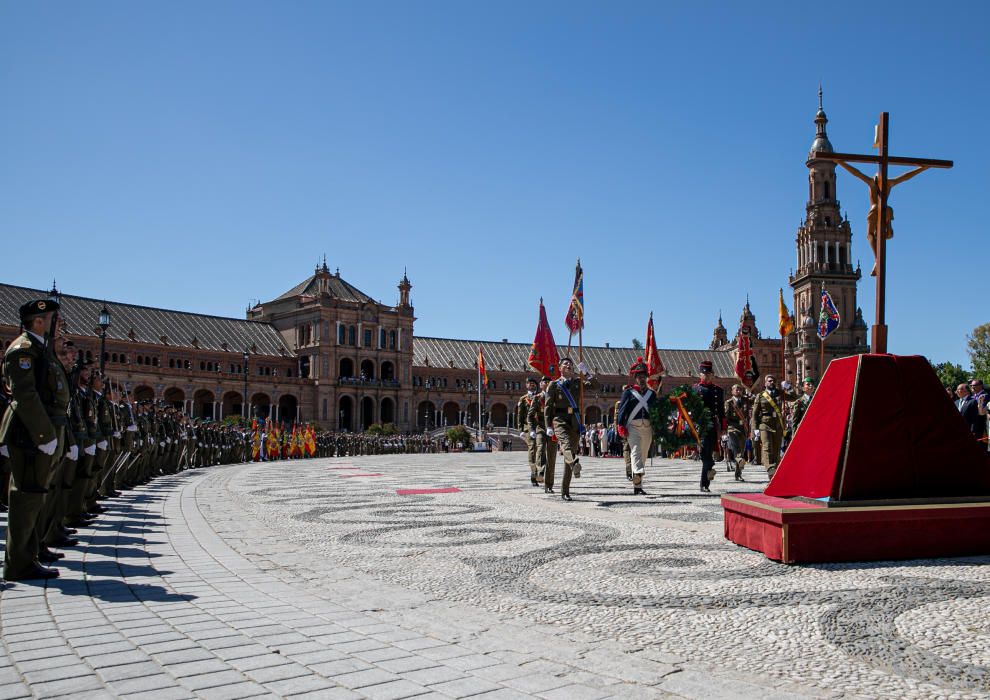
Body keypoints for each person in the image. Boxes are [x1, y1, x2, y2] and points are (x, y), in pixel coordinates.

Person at [0, 299, 62, 580]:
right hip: (28, 433)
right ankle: (18, 564)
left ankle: (27, 556)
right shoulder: (23, 350)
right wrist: (44, 434)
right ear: (38, 321)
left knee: (34, 496)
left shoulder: (39, 349)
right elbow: (26, 395)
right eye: (51, 318)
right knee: (26, 497)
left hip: (36, 431)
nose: (54, 323)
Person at [544, 357, 596, 501]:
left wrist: (586, 373)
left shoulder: (577, 383)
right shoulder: (554, 385)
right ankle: (574, 463)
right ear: (560, 368)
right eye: (565, 364)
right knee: (566, 445)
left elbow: (595, 386)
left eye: (571, 364)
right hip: (559, 420)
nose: (569, 365)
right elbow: (548, 407)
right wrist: (548, 425)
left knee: (571, 453)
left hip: (575, 420)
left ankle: (565, 491)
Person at [616, 359, 660, 495]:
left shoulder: (652, 394)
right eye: (639, 377)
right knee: (635, 451)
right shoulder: (628, 393)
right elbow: (622, 410)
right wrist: (621, 425)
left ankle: (638, 486)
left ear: (647, 378)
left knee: (644, 454)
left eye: (644, 376)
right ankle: (639, 472)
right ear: (635, 378)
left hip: (647, 427)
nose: (642, 379)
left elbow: (656, 412)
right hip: (633, 426)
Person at [751, 374, 799, 478]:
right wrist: (755, 430)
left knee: (776, 450)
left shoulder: (780, 393)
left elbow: (794, 397)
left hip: (777, 425)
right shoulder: (760, 396)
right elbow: (754, 415)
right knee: (767, 447)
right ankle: (770, 468)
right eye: (769, 381)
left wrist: (789, 387)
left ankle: (774, 474)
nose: (771, 382)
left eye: (773, 381)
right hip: (765, 425)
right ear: (765, 383)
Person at [693, 360, 725, 492]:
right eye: (704, 374)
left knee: (708, 452)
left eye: (709, 374)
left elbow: (721, 411)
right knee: (704, 453)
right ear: (700, 374)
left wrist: (723, 427)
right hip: (699, 425)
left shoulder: (718, 390)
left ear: (712, 375)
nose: (706, 376)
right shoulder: (695, 389)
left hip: (712, 425)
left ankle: (705, 482)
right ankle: (706, 479)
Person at [516, 377, 541, 486]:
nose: (531, 385)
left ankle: (540, 473)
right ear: (526, 385)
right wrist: (520, 429)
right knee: (532, 448)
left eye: (533, 384)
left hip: (539, 427)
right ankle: (533, 473)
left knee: (540, 450)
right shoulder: (523, 399)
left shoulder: (540, 397)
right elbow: (520, 415)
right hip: (528, 428)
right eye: (529, 384)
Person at [723, 384, 750, 481]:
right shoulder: (729, 403)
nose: (738, 391)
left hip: (743, 428)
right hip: (732, 428)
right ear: (732, 391)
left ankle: (738, 474)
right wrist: (724, 431)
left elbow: (748, 415)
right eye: (736, 389)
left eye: (740, 389)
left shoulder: (745, 401)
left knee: (742, 451)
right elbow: (725, 417)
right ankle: (739, 461)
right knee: (736, 449)